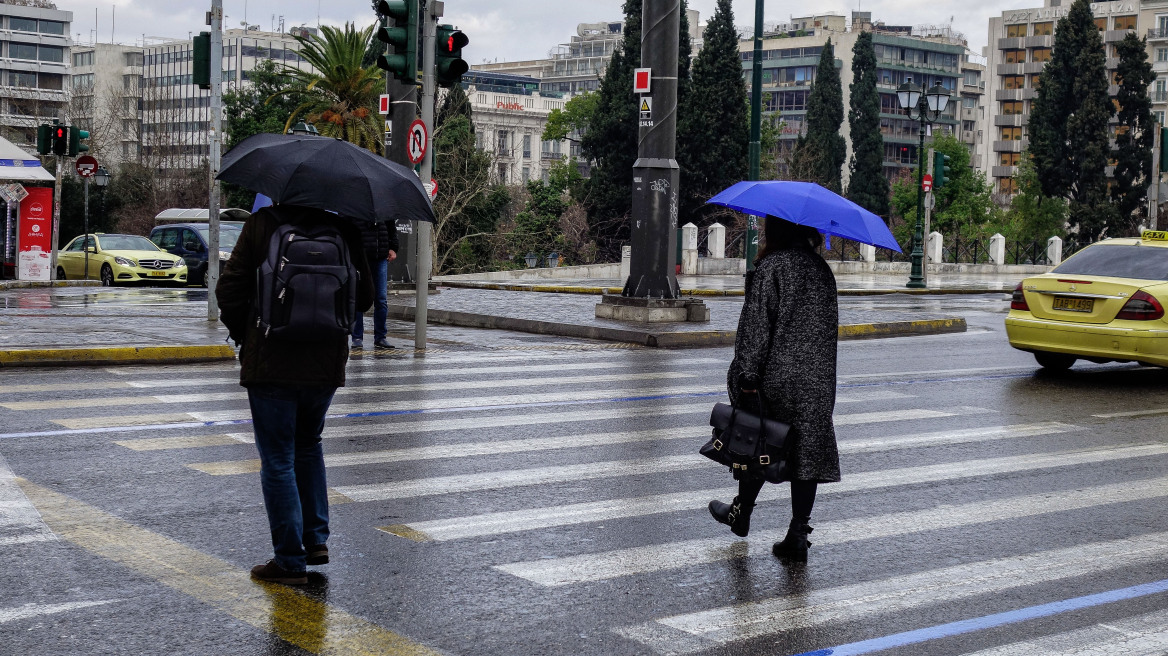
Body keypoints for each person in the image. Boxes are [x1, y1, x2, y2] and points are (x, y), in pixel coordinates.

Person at [218, 204, 373, 585]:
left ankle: (289, 560)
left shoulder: (262, 224)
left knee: (278, 459)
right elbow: (365, 296)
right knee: (308, 444)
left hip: (272, 359)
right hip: (325, 362)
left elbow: (230, 289)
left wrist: (248, 335)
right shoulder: (344, 227)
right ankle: (315, 539)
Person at [708, 215, 840, 562]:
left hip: (777, 377)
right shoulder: (822, 271)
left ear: (777, 229)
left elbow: (755, 328)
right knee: (805, 453)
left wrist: (747, 376)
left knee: (758, 442)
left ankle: (741, 512)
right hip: (817, 381)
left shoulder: (773, 267)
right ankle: (798, 534)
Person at [351, 219, 398, 349]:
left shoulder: (384, 204)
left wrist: (393, 247)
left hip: (380, 255)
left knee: (381, 299)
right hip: (361, 256)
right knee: (358, 297)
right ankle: (357, 337)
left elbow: (391, 225)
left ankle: (380, 337)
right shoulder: (356, 205)